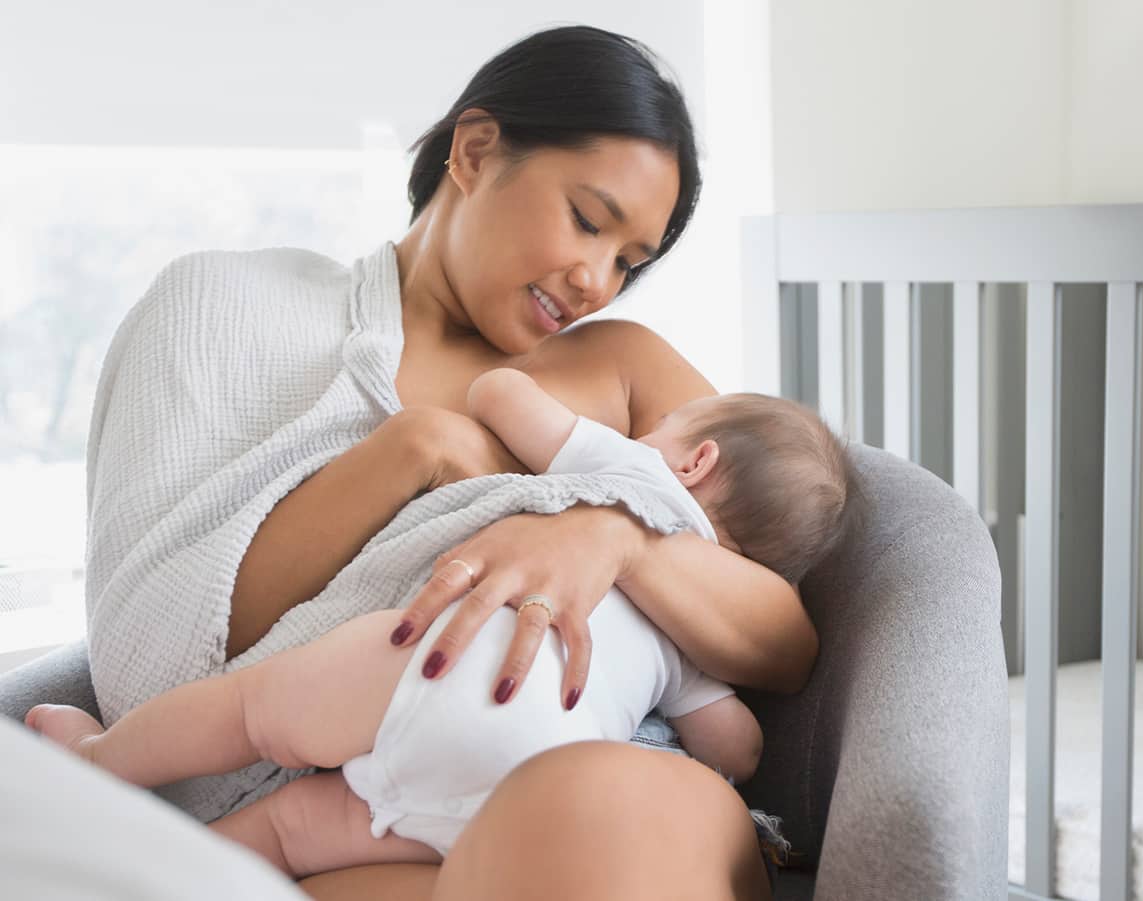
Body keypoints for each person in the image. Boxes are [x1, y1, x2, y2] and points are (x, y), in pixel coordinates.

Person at [4, 25, 822, 900]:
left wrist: (615, 538)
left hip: (610, 778)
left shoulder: (624, 367)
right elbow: (153, 667)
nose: (596, 281)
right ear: (474, 151)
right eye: (587, 220)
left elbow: (781, 642)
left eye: (628, 261)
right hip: (353, 824)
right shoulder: (228, 309)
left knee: (598, 814)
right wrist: (415, 450)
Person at [27, 367, 854, 883]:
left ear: (694, 459)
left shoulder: (630, 475)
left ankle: (98, 761)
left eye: (668, 428)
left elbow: (495, 393)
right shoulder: (691, 635)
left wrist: (576, 438)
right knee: (288, 836)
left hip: (434, 666)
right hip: (524, 776)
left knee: (249, 707)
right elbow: (736, 747)